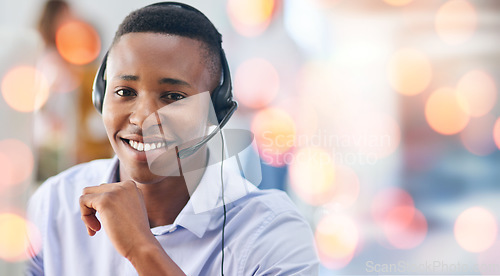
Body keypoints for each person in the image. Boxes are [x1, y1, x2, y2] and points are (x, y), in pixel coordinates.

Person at [26, 2, 319, 275]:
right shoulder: (54, 203)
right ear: (100, 97)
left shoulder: (271, 233)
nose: (143, 118)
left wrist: (142, 249)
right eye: (125, 92)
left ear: (216, 114)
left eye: (174, 97)